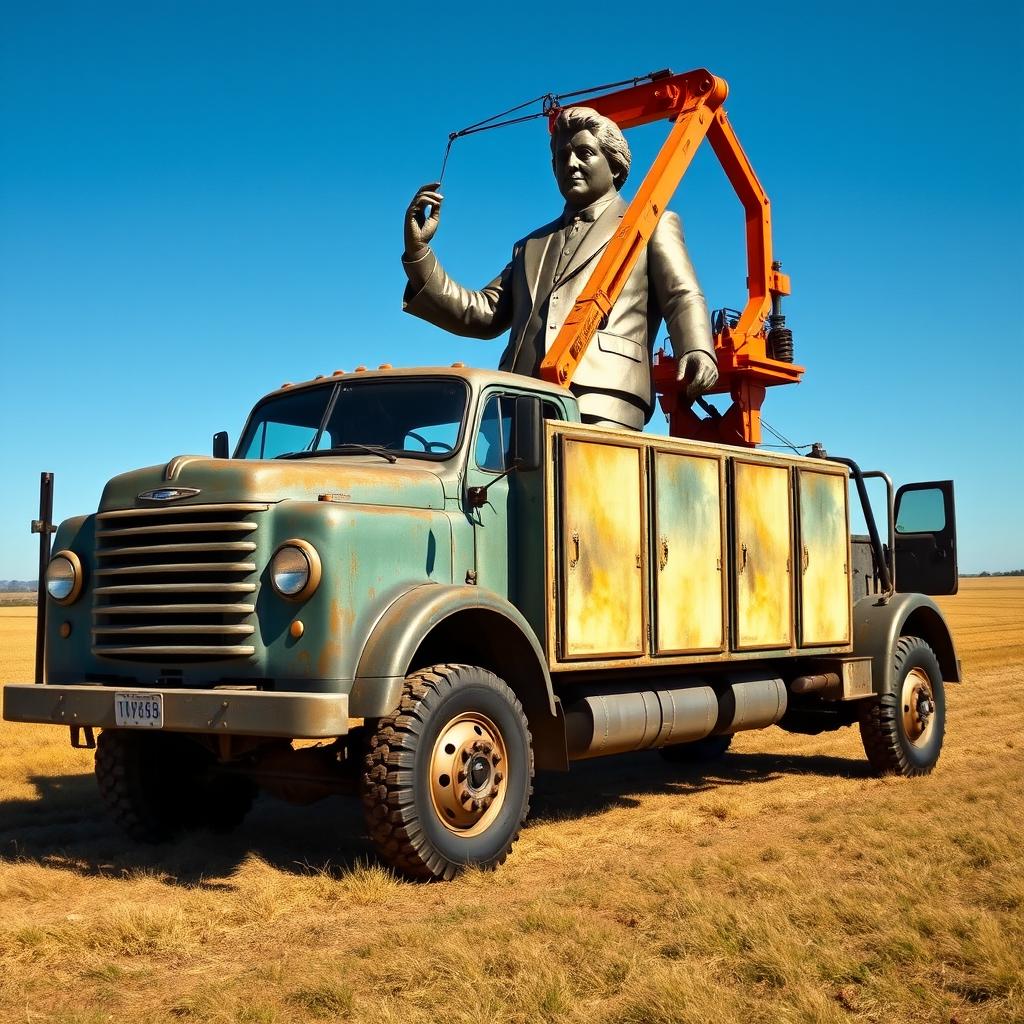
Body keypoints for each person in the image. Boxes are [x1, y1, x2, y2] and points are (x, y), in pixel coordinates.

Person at [401, 106, 717, 429]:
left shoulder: (650, 223)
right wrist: (418, 253)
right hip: (520, 403)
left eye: (584, 153)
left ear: (615, 165)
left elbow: (681, 294)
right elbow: (484, 311)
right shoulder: (531, 246)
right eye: (561, 157)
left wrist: (696, 347)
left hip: (604, 399)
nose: (571, 164)